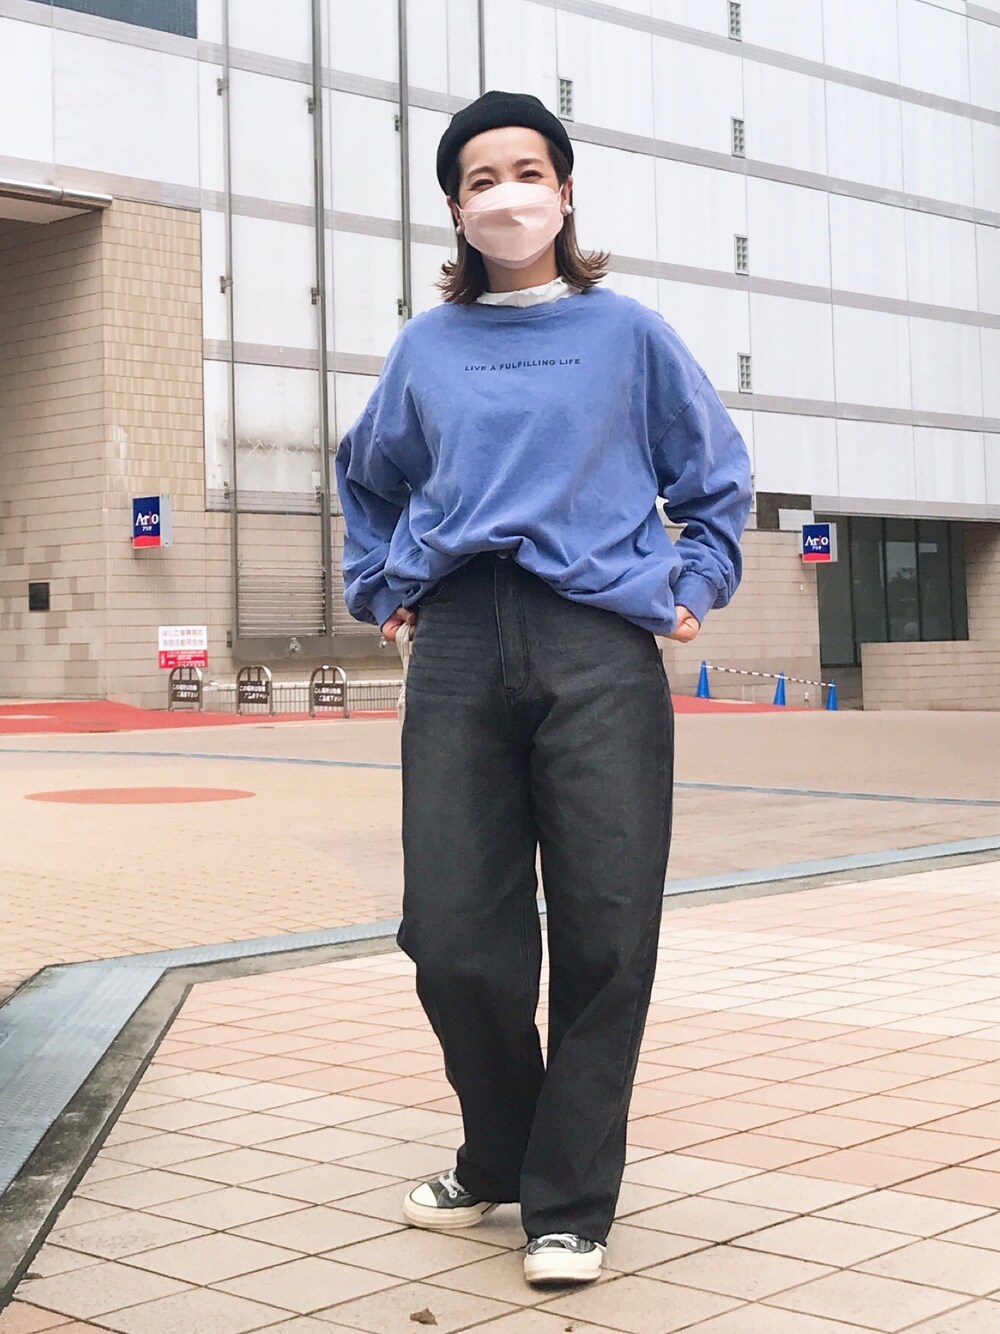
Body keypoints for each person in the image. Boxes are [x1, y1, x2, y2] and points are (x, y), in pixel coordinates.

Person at [336, 90, 752, 1288]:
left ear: (564, 193)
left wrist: (694, 582)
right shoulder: (425, 348)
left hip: (596, 641)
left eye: (527, 171)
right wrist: (381, 585)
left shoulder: (627, 335)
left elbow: (713, 475)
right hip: (460, 638)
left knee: (604, 928)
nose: (506, 193)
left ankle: (566, 1198)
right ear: (455, 209)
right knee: (451, 937)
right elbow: (366, 478)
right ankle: (503, 1146)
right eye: (481, 179)